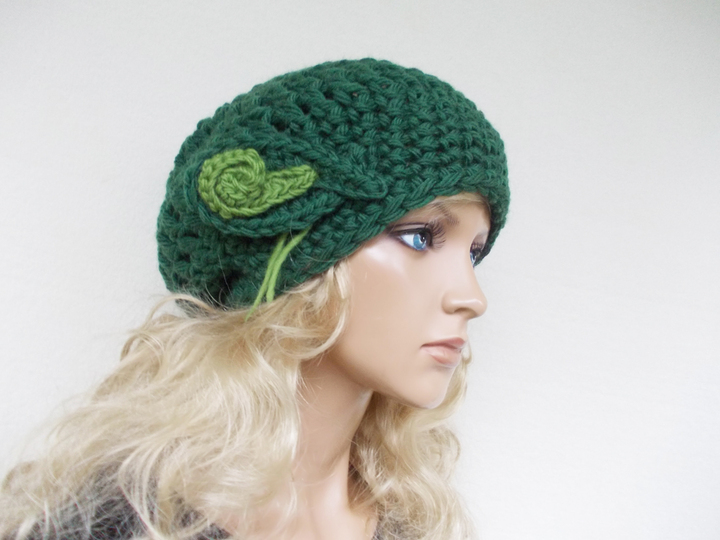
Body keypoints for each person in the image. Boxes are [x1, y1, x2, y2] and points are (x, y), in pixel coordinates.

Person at [0, 58, 510, 540]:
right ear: (297, 268)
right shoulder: (112, 525)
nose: (472, 297)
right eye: (420, 236)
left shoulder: (411, 524)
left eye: (474, 252)